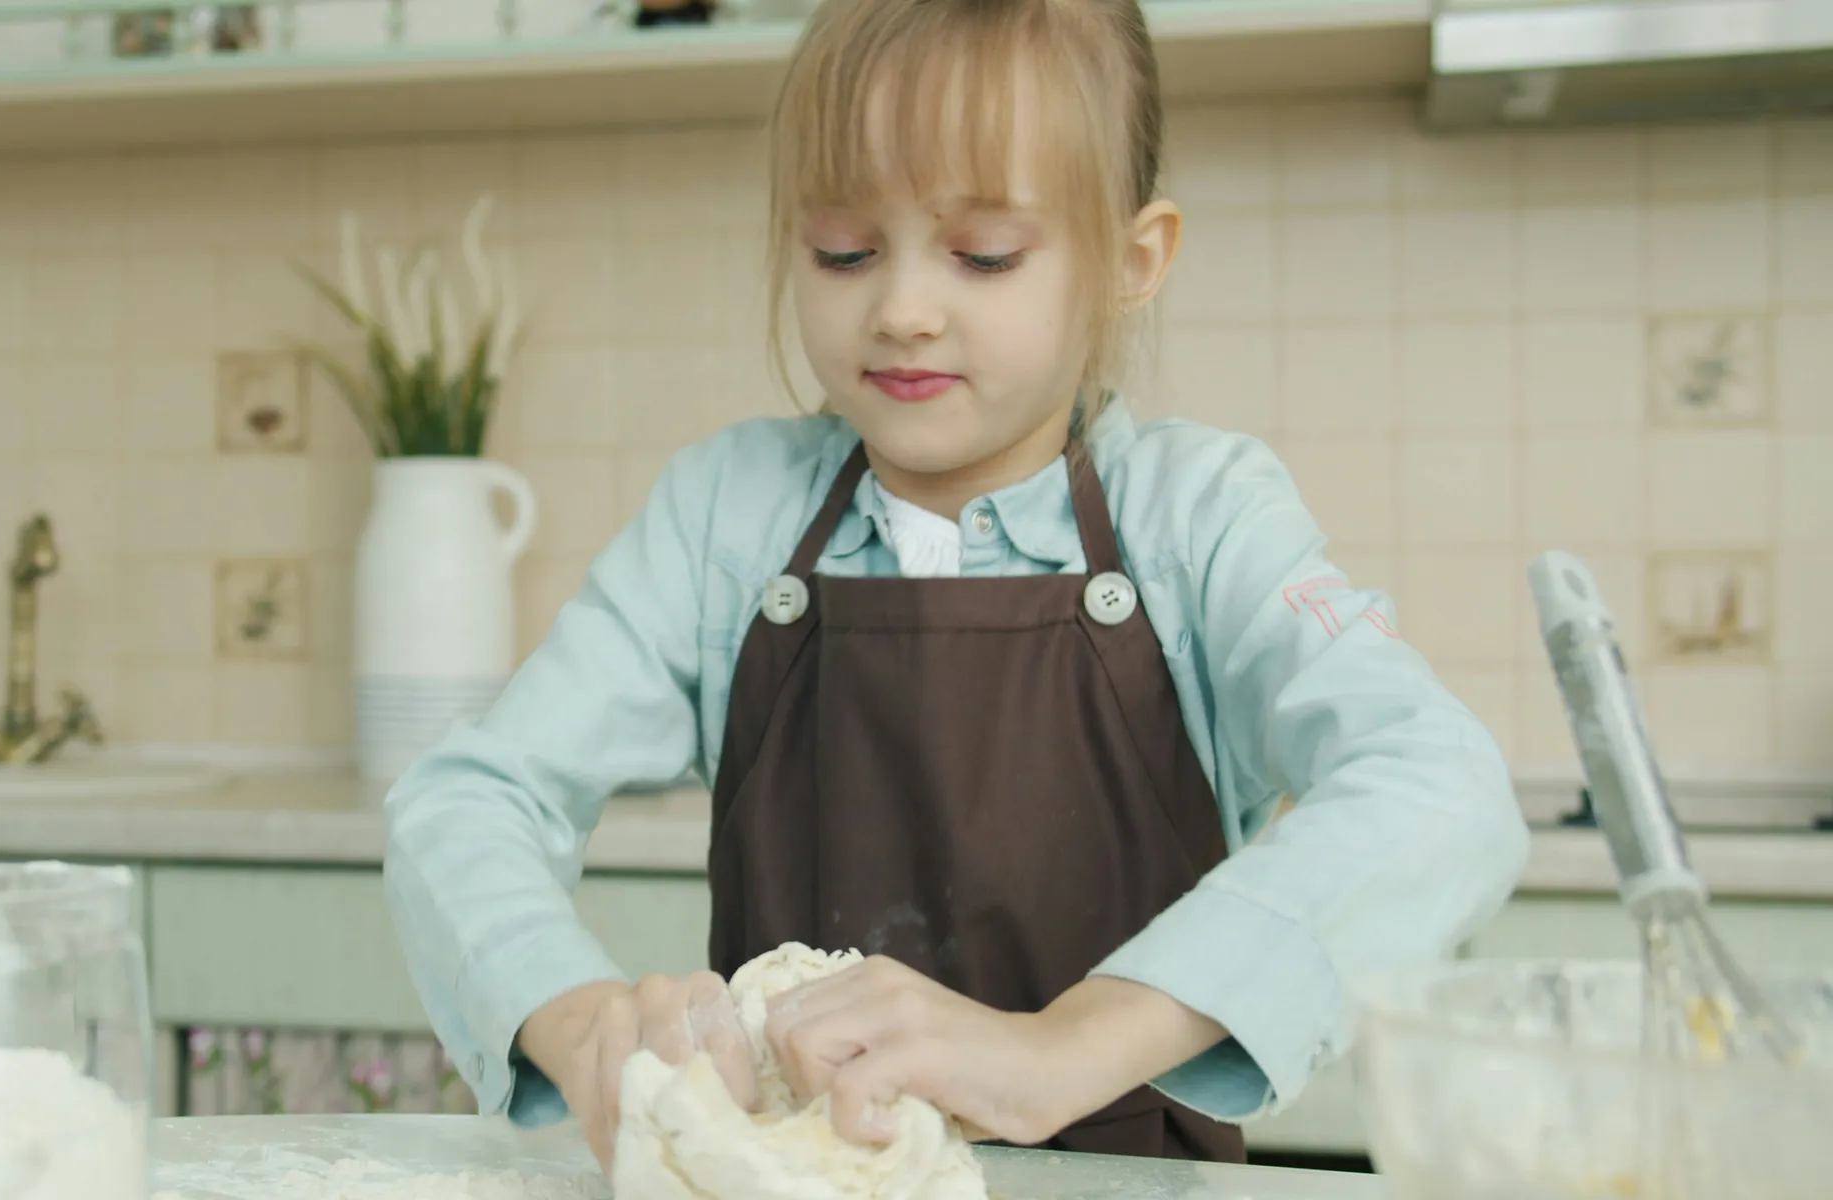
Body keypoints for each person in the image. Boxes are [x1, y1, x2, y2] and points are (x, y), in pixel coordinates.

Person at [381, 0, 1530, 1169]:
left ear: (1132, 262)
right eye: (843, 249)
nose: (902, 311)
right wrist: (573, 1018)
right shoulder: (728, 519)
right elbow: (465, 803)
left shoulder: (1200, 521)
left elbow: (1440, 787)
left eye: (984, 255)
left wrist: (1059, 1048)